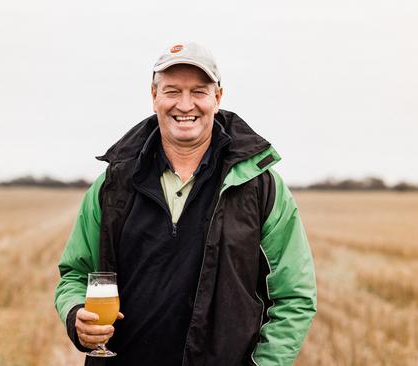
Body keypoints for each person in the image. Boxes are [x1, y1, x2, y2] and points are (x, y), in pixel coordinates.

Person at [54, 41, 317, 366]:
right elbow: (76, 274)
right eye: (172, 91)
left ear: (217, 97)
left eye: (198, 91)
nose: (185, 104)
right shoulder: (112, 185)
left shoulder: (260, 185)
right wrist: (76, 314)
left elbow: (294, 296)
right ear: (154, 96)